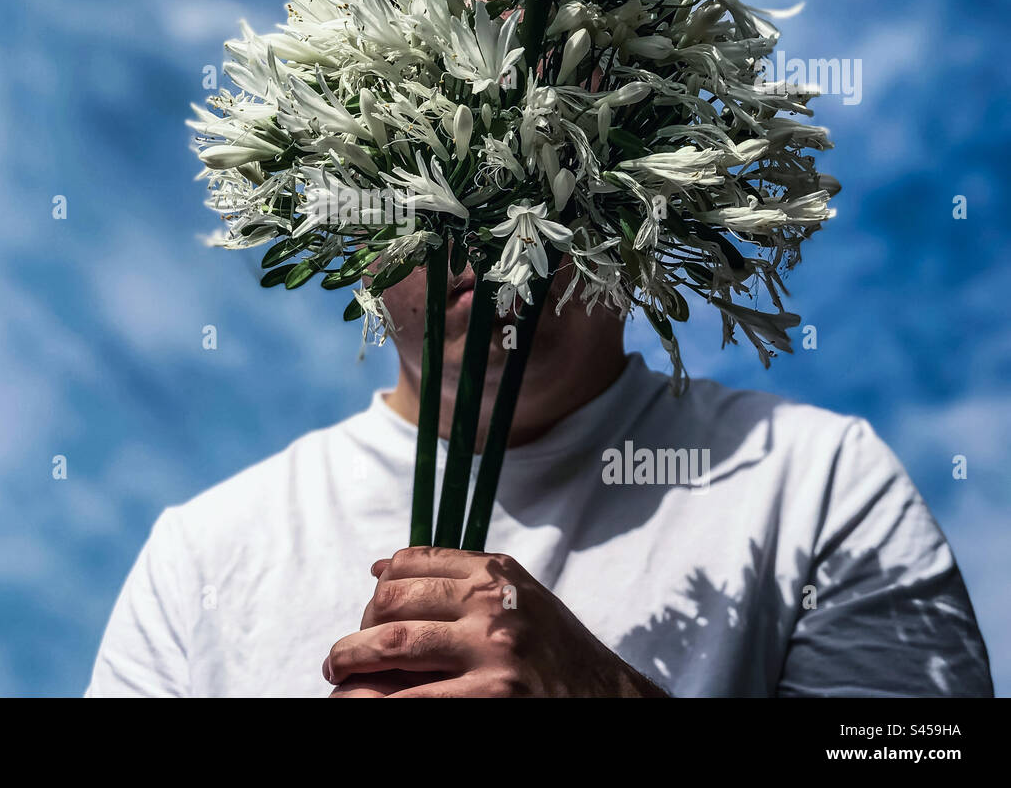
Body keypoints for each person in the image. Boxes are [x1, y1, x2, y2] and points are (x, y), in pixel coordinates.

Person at [85, 262, 993, 697]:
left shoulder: (818, 479)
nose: (495, 220)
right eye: (428, 148)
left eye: (558, 143)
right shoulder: (202, 552)